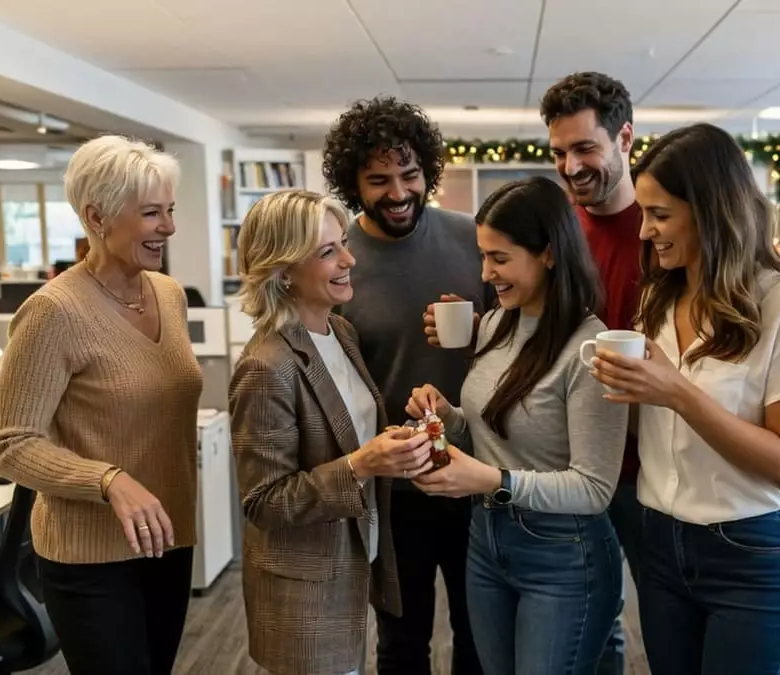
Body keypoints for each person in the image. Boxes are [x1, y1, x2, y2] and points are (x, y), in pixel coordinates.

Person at [590, 123, 780, 675]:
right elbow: (653, 435)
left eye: (659, 214)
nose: (645, 230)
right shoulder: (658, 297)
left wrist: (677, 393)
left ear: (709, 210)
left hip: (752, 554)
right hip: (662, 545)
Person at [0, 135, 202, 675]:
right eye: (152, 213)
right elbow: (10, 444)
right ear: (97, 216)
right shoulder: (53, 311)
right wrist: (107, 479)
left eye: (170, 211)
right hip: (92, 558)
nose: (169, 228)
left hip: (169, 538)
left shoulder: (169, 295)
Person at [411, 177, 628, 675]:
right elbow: (493, 432)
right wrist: (448, 416)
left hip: (564, 555)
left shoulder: (590, 349)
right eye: (483, 256)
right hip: (487, 540)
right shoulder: (494, 324)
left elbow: (594, 488)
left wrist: (491, 480)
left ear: (548, 254)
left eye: (500, 259)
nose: (486, 273)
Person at [229, 189, 434, 675]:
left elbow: (348, 433)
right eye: (327, 252)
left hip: (354, 562)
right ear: (281, 271)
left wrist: (404, 435)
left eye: (343, 242)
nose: (349, 258)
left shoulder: (339, 332)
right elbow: (264, 502)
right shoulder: (265, 367)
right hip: (305, 591)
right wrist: (364, 463)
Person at [323, 96, 486, 675]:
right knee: (400, 645)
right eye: (378, 180)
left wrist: (477, 329)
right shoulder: (340, 258)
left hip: (477, 478)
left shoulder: (472, 238)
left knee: (481, 640)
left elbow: (518, 342)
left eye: (410, 175)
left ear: (428, 174)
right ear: (353, 184)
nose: (398, 193)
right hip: (393, 492)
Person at [540, 71, 642, 674]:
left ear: (623, 138)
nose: (571, 167)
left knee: (650, 613)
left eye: (585, 148)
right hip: (572, 465)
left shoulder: (663, 230)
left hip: (647, 468)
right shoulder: (558, 231)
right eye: (559, 153)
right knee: (591, 623)